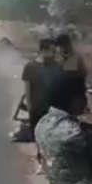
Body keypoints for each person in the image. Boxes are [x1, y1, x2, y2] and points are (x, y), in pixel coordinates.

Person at [22, 38, 64, 169]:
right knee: (38, 135)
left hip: (54, 108)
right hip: (37, 107)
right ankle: (41, 160)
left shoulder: (58, 67)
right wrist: (29, 105)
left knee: (53, 135)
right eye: (52, 51)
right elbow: (27, 87)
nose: (54, 54)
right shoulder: (30, 67)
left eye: (55, 51)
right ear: (43, 51)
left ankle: (52, 160)